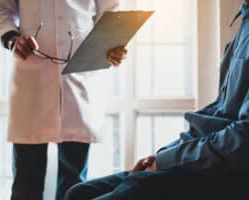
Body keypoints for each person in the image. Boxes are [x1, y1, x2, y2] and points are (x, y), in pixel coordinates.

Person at [65, 2, 249, 200]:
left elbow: (242, 139)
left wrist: (166, 160)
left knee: (132, 186)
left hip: (225, 172)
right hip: (201, 157)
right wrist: (162, 155)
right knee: (79, 193)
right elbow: (218, 113)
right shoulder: (244, 20)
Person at [0, 1, 127, 200]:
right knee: (26, 183)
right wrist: (13, 39)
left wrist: (111, 44)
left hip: (80, 75)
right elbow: (0, 6)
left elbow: (111, 10)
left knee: (75, 184)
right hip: (32, 74)